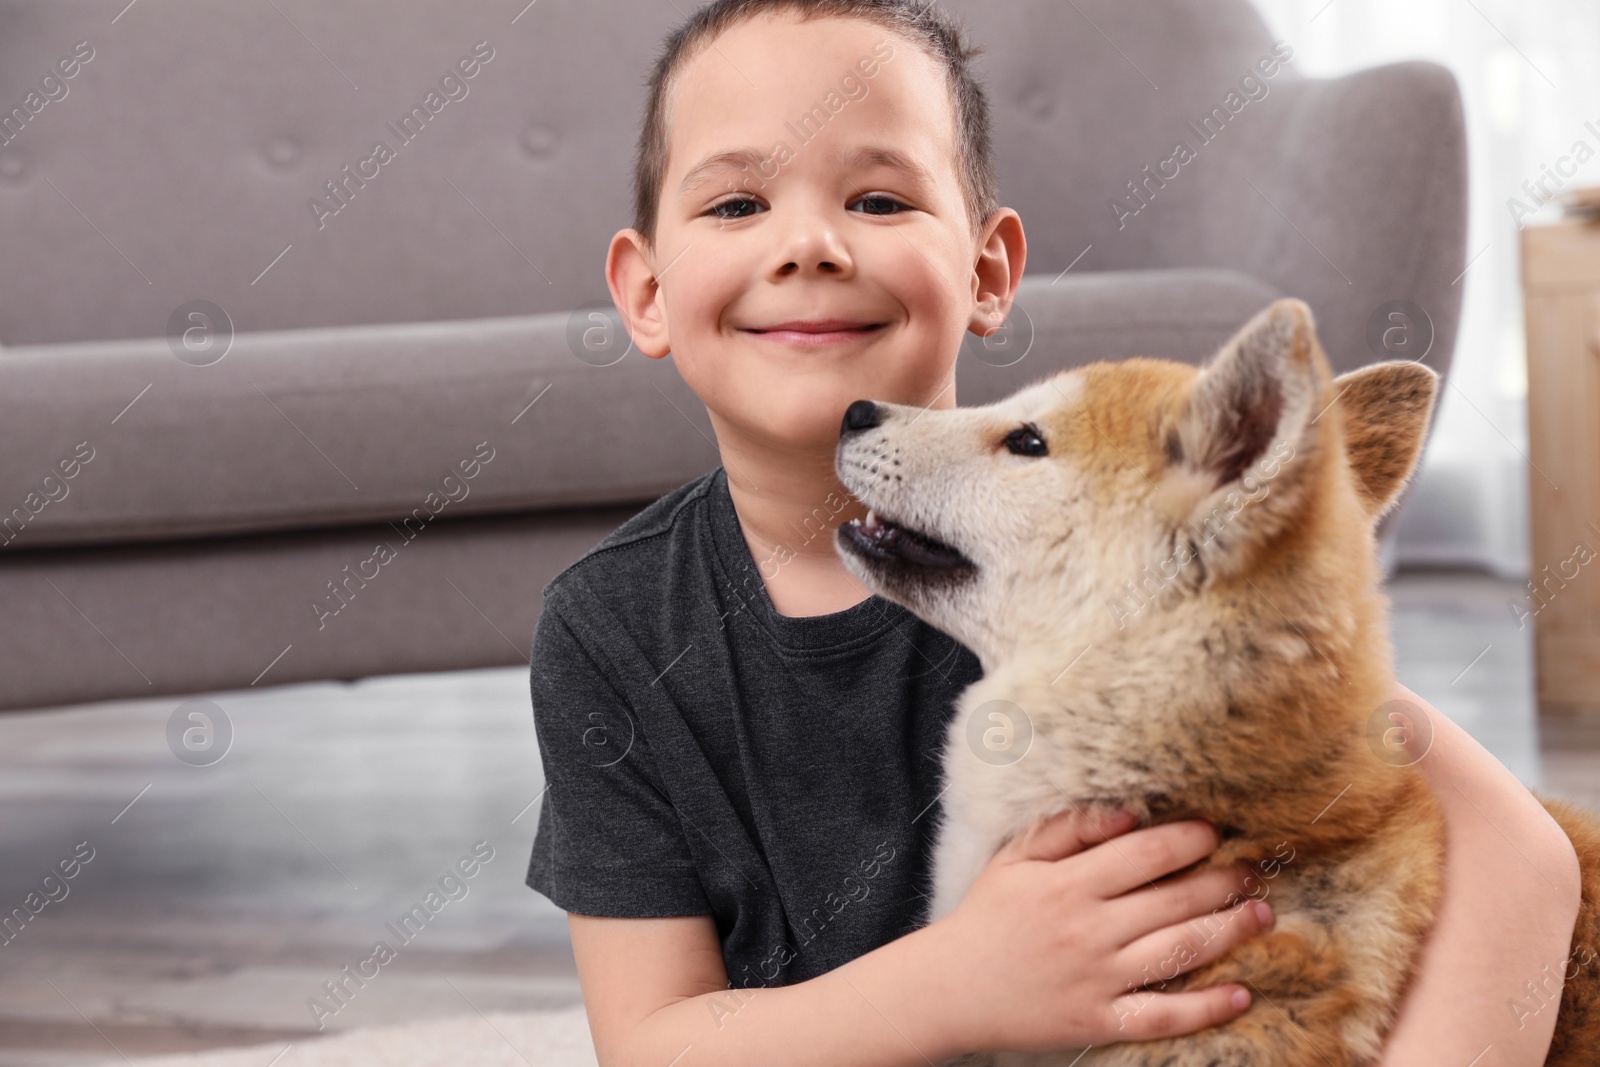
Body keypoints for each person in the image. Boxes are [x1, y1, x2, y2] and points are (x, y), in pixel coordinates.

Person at [525, 2, 1583, 1064]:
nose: (808, 244)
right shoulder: (609, 628)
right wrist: (962, 982)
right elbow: (648, 1042)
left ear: (986, 271)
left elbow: (1525, 858)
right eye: (738, 201)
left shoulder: (1124, 582)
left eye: (879, 196)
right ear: (647, 291)